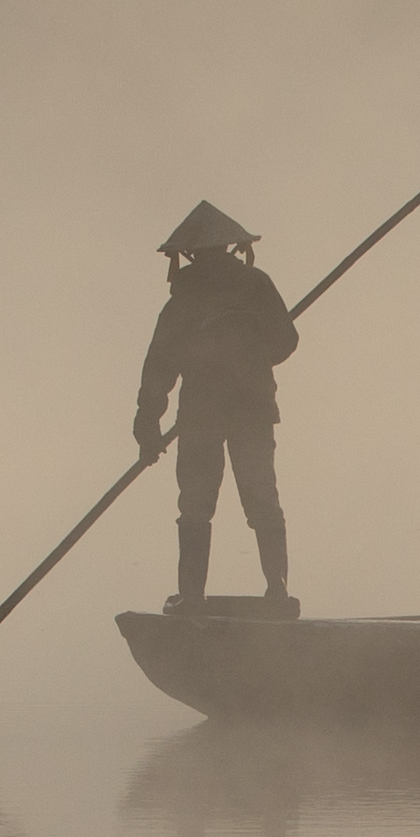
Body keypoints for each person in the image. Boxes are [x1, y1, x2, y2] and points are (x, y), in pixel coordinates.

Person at [133, 198, 299, 608]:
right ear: (229, 247)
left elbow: (161, 365)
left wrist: (148, 424)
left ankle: (193, 599)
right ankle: (277, 593)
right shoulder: (256, 285)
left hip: (204, 415)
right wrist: (253, 357)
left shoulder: (185, 298)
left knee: (195, 506)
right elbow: (286, 341)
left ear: (190, 253)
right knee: (261, 499)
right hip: (248, 410)